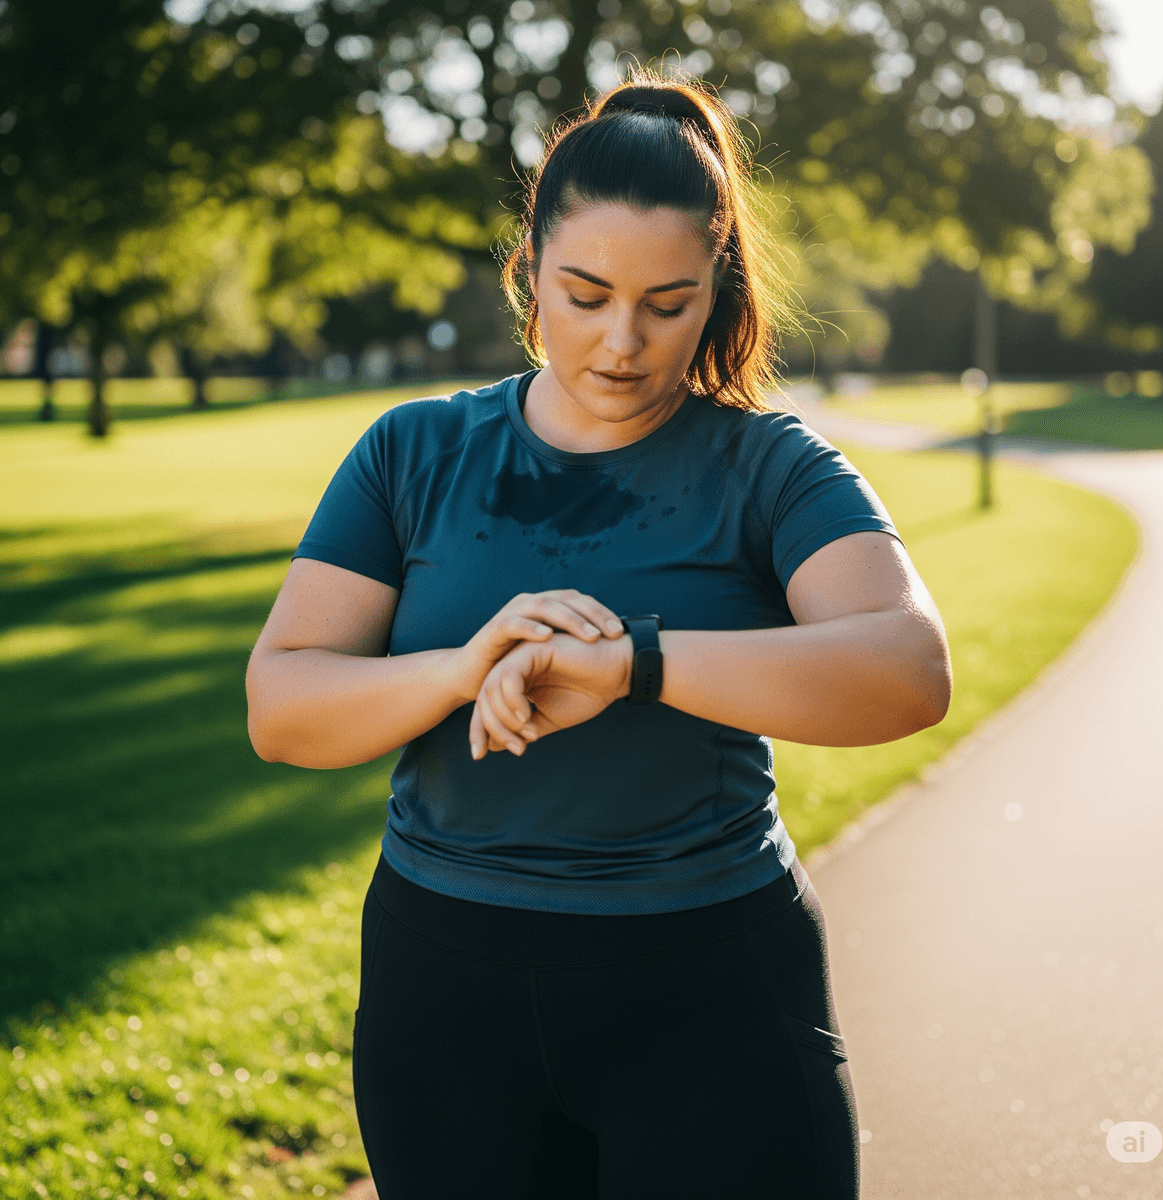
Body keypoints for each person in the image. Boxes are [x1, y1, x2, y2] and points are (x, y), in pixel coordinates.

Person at [245, 73, 951, 1200]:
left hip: (711, 991)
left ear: (716, 289)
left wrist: (632, 664)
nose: (623, 342)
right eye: (584, 294)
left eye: (667, 304)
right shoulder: (411, 453)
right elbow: (281, 709)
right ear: (528, 270)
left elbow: (909, 671)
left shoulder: (770, 466)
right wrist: (464, 666)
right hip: (445, 998)